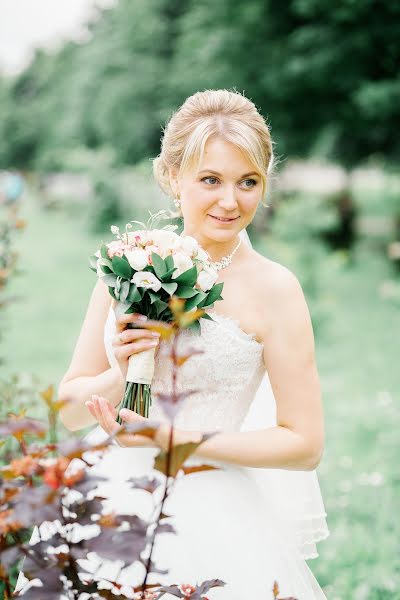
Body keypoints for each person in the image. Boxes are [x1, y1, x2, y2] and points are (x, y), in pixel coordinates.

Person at [15, 89, 329, 599]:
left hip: (218, 513)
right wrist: (120, 373)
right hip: (108, 506)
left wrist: (175, 441)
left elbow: (304, 444)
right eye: (211, 180)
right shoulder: (126, 268)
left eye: (248, 182)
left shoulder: (277, 289)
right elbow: (71, 412)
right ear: (171, 177)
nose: (230, 201)